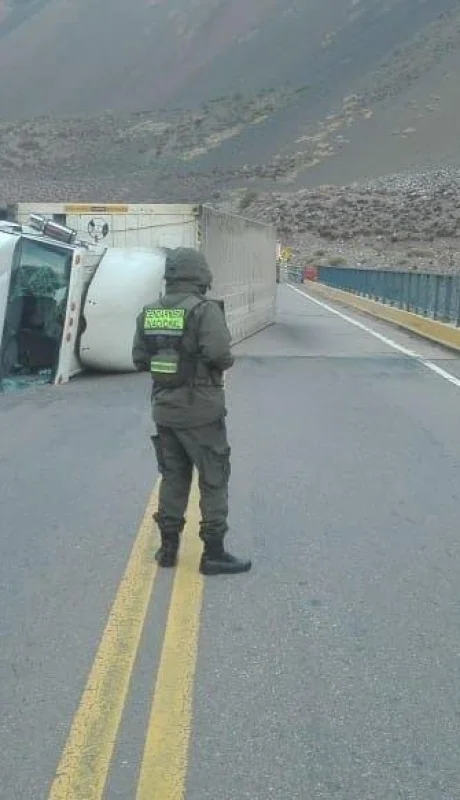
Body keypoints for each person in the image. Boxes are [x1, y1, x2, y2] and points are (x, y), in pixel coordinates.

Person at [132, 246, 252, 576]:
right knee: (213, 478)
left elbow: (140, 359)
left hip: (165, 410)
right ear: (201, 276)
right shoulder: (204, 310)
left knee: (173, 477)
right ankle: (213, 552)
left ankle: (168, 549)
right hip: (200, 411)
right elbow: (220, 355)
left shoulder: (150, 311)